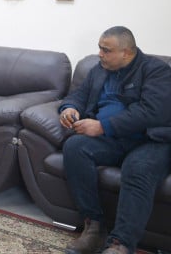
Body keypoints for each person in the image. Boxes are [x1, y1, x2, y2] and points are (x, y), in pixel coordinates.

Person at [59, 26, 171, 254]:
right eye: (99, 48)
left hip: (150, 140)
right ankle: (94, 227)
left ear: (127, 53)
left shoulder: (156, 71)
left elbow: (152, 111)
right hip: (112, 139)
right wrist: (69, 108)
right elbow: (78, 95)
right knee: (75, 147)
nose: (100, 54)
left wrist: (103, 126)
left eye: (106, 50)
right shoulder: (99, 70)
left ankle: (120, 244)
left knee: (138, 168)